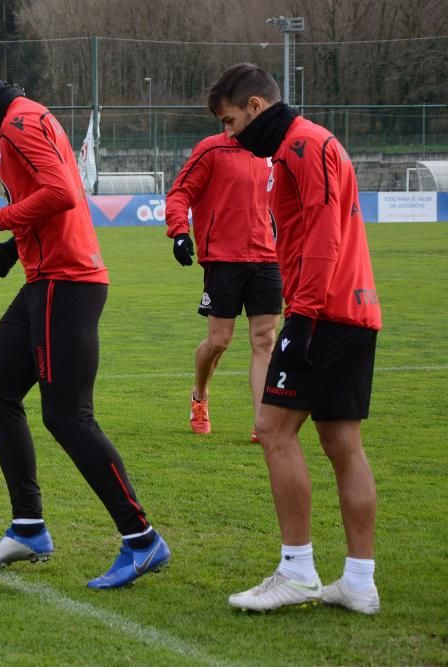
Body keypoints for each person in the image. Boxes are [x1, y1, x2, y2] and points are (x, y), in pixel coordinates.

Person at [0, 42, 169, 589]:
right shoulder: (20, 118)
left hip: (69, 280)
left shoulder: (19, 122)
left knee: (67, 416)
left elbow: (63, 192)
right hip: (46, 276)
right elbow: (51, 195)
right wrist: (16, 243)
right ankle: (29, 527)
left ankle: (142, 540)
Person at [208, 64, 383, 614]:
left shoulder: (304, 147)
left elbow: (324, 236)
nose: (232, 135)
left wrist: (302, 317)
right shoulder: (302, 148)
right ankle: (358, 580)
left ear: (257, 107)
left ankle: (298, 570)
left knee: (272, 430)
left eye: (233, 122)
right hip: (352, 311)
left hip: (325, 314)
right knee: (342, 445)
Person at [165, 129, 280, 442]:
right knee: (219, 341)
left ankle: (263, 422)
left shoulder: (275, 147)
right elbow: (179, 194)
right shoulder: (211, 149)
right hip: (223, 258)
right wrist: (179, 231)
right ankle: (199, 395)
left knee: (265, 340)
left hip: (268, 256)